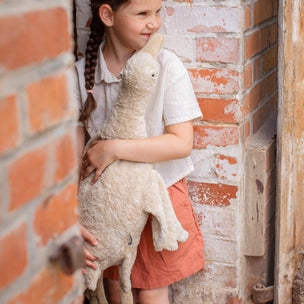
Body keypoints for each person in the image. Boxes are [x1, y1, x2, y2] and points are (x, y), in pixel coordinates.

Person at [74, 0, 205, 303]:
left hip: (157, 195)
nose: (154, 22)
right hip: (110, 203)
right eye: (143, 13)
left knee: (151, 291)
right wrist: (71, 215)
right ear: (107, 15)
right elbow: (72, 154)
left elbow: (181, 143)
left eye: (157, 12)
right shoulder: (81, 75)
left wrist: (114, 149)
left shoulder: (166, 65)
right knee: (117, 288)